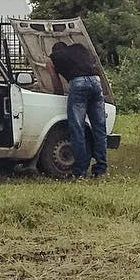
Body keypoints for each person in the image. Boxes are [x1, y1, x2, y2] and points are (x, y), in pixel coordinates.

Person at [46, 41, 108, 180]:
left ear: (54, 50)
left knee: (77, 129)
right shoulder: (80, 48)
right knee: (99, 129)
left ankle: (80, 171)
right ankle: (100, 169)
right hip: (95, 81)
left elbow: (56, 83)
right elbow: (95, 66)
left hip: (78, 84)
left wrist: (58, 95)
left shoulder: (52, 58)